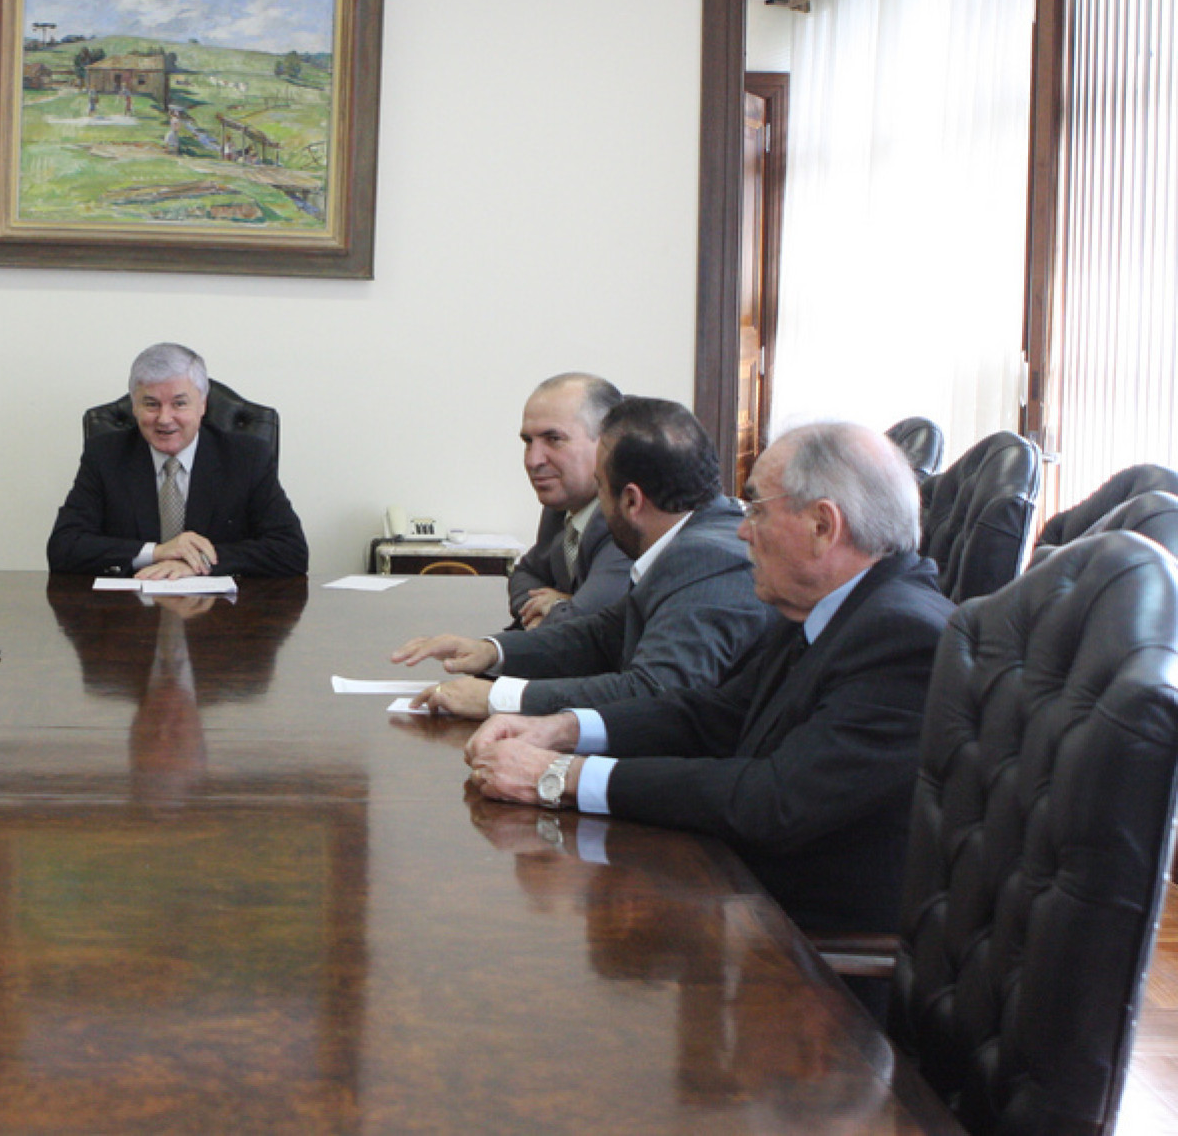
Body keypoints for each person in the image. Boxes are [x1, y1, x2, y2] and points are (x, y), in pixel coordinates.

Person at [455, 422, 955, 937]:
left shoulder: (903, 637)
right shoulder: (831, 608)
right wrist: (560, 729)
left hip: (811, 956)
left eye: (757, 510)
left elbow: (775, 800)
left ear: (823, 526)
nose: (742, 530)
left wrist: (563, 776)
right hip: (745, 900)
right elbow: (715, 713)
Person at [396, 397, 770, 716]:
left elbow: (654, 692)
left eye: (601, 489)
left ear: (632, 501)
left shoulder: (708, 558)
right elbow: (601, 636)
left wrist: (501, 698)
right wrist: (489, 651)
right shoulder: (689, 542)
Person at [46, 342, 308, 579]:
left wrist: (198, 562)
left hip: (221, 620)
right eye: (151, 404)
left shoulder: (247, 457)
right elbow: (64, 547)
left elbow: (291, 551)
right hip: (129, 616)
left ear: (202, 405)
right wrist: (157, 553)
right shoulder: (105, 455)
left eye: (179, 404)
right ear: (134, 406)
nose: (164, 418)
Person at [506, 373, 633, 629]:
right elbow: (525, 574)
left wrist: (558, 608)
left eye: (554, 440)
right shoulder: (563, 507)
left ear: (609, 443)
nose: (533, 460)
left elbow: (588, 622)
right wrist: (547, 609)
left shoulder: (628, 514)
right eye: (528, 442)